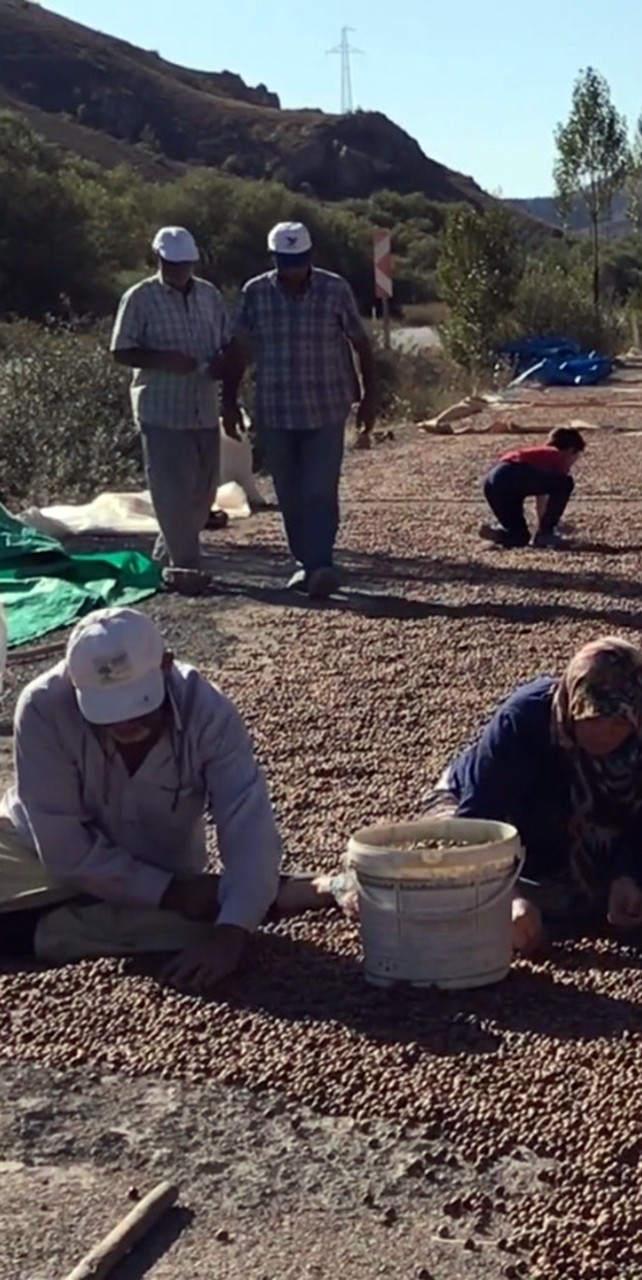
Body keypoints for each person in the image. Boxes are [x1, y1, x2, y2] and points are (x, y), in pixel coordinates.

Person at [0, 609, 336, 989]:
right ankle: (281, 893)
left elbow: (247, 823)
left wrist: (231, 934)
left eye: (136, 706)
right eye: (107, 713)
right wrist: (170, 892)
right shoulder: (42, 708)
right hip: (34, 849)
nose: (124, 726)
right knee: (188, 912)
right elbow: (64, 848)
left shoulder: (208, 712)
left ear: (165, 666)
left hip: (159, 865)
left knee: (208, 917)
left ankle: (289, 893)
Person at [425, 637, 642, 955]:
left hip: (578, 824)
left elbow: (640, 815)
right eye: (592, 718)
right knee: (445, 877)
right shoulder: (524, 720)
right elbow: (478, 818)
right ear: (572, 706)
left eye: (619, 722)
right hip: (483, 806)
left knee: (622, 898)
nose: (605, 732)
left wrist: (627, 876)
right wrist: (508, 896)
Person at [229, 221, 378, 600]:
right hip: (276, 409)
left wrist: (370, 395)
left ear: (309, 257)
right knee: (289, 491)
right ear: (274, 258)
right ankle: (306, 563)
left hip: (326, 406)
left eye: (298, 261)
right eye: (285, 261)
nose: (292, 269)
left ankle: (320, 564)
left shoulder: (334, 289)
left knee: (319, 489)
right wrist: (227, 400)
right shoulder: (256, 292)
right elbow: (240, 350)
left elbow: (361, 342)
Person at [108, 226, 242, 597]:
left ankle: (165, 557)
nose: (180, 270)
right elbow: (121, 350)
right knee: (171, 490)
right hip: (161, 407)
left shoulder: (209, 296)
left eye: (185, 264)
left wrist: (223, 374)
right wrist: (163, 360)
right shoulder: (140, 298)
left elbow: (228, 344)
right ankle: (186, 567)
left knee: (203, 491)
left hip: (201, 407)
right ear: (159, 260)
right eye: (173, 263)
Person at [480, 427, 585, 550]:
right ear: (571, 450)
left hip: (492, 481)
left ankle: (497, 534)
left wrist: (543, 525)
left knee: (520, 537)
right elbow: (544, 498)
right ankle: (546, 534)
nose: (573, 463)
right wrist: (546, 529)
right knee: (565, 482)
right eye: (576, 456)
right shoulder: (555, 455)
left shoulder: (539, 456)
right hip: (510, 474)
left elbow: (541, 494)